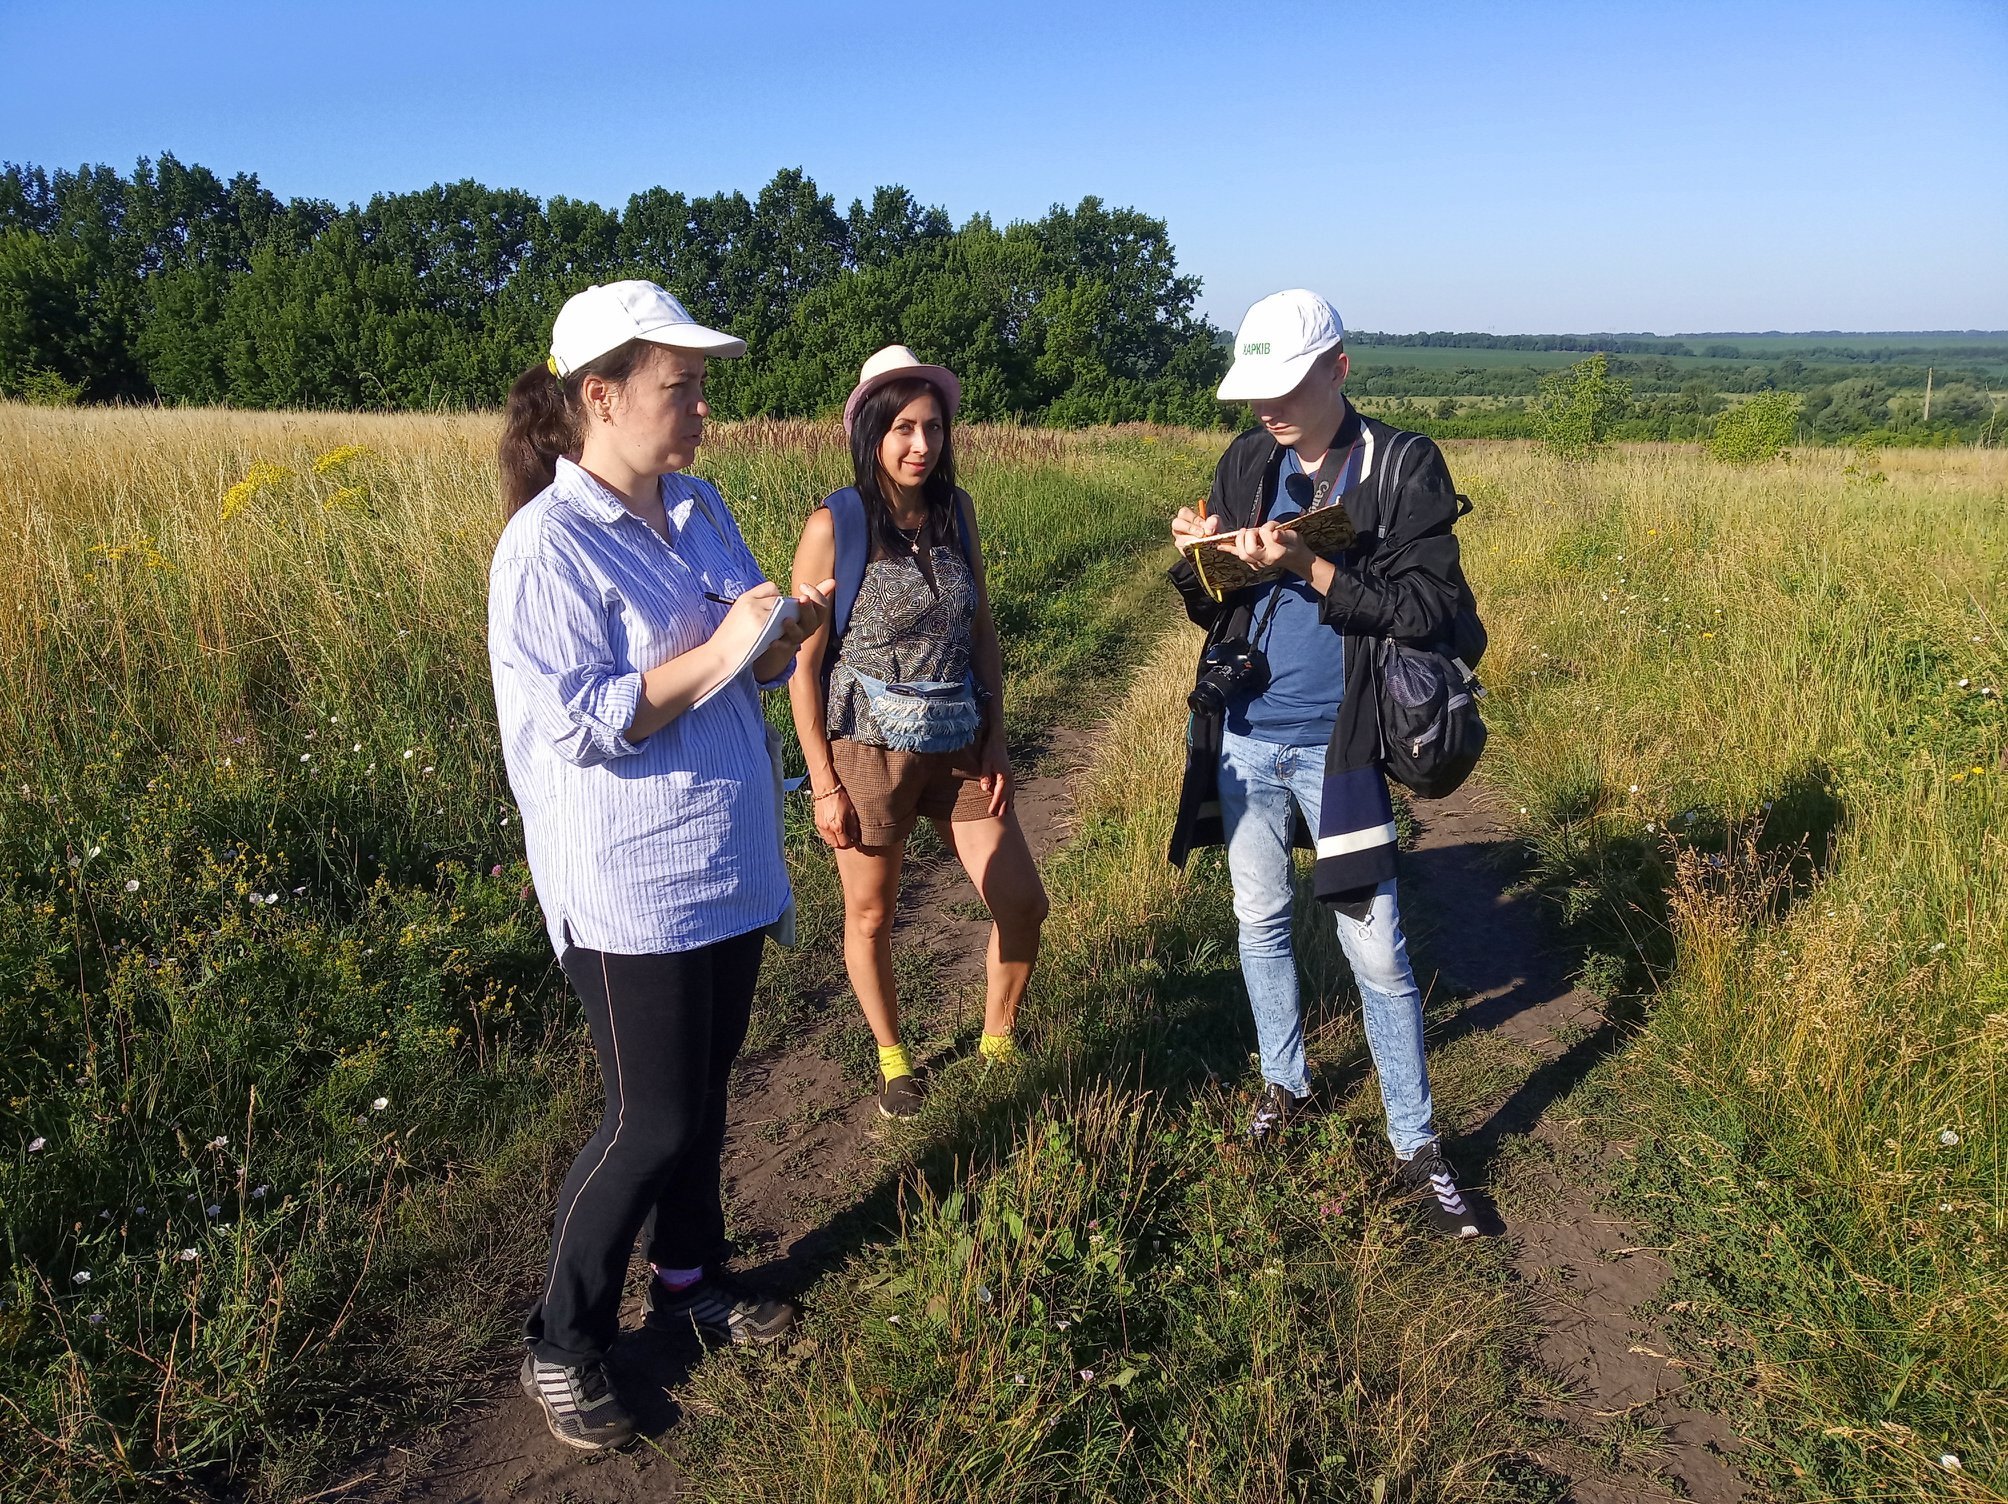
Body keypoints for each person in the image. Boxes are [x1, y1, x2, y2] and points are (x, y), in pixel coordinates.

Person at [489, 280, 834, 1451]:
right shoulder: (546, 544)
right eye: (677, 388)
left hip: (723, 859)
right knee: (649, 1114)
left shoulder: (697, 506)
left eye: (698, 388)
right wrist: (732, 645)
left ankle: (689, 1279)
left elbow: (739, 628)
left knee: (709, 1096)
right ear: (600, 396)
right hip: (628, 880)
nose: (699, 410)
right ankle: (561, 1339)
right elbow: (585, 719)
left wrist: (780, 631)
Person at [1166, 288, 1487, 1239]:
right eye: (1254, 389)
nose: (1265, 407)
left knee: (1376, 948)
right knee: (1258, 917)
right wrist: (1205, 559)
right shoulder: (1250, 458)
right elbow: (1210, 605)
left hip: (1340, 746)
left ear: (1337, 369)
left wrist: (1306, 566)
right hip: (1244, 734)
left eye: (1285, 385)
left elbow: (1433, 612)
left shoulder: (1402, 465)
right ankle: (1284, 1083)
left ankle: (1416, 1141)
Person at [787, 346, 1049, 1119]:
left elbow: (982, 630)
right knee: (872, 913)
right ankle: (894, 1058)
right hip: (867, 751)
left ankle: (998, 1036)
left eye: (932, 427)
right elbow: (802, 667)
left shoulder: (955, 510)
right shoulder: (835, 523)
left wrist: (997, 732)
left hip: (960, 736)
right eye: (903, 428)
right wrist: (823, 785)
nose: (920, 445)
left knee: (1023, 902)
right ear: (872, 432)